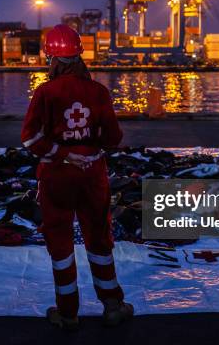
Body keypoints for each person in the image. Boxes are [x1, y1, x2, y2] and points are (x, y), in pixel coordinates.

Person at [21, 24, 133, 330]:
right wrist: (87, 147)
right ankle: (112, 305)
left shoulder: (45, 93)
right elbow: (113, 137)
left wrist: (62, 152)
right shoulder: (99, 92)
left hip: (57, 175)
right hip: (92, 173)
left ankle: (68, 313)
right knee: (99, 236)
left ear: (51, 57)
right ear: (80, 54)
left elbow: (30, 139)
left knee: (59, 239)